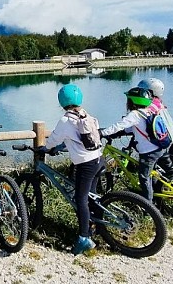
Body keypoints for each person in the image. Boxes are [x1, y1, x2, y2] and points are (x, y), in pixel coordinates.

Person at [44, 84, 103, 255]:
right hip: (99, 159)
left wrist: (45, 148)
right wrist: (62, 146)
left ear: (62, 102)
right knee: (92, 196)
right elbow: (79, 138)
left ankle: (84, 238)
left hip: (86, 164)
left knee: (80, 199)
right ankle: (96, 227)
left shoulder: (66, 120)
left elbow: (53, 140)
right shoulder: (85, 115)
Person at [101, 87, 165, 201]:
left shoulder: (135, 114)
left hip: (149, 153)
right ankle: (155, 195)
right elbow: (133, 127)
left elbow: (118, 125)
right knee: (150, 174)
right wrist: (121, 133)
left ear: (132, 101)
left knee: (144, 177)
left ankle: (148, 206)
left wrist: (101, 133)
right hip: (158, 147)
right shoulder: (147, 111)